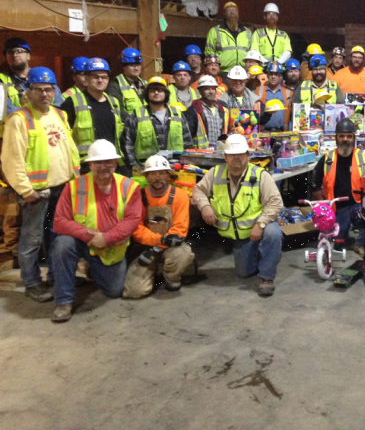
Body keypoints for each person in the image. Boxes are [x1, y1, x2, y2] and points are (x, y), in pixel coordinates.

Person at [1, 67, 80, 302]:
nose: (44, 94)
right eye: (38, 90)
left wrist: (73, 180)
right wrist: (26, 190)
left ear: (54, 91)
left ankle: (57, 277)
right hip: (37, 192)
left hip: (61, 188)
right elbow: (11, 160)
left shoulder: (60, 115)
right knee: (31, 241)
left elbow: (70, 150)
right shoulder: (19, 120)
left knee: (57, 238)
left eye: (48, 89)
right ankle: (32, 283)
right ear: (29, 91)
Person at [50, 139, 142, 322]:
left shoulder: (129, 187)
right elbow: (60, 221)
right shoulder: (74, 186)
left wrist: (107, 238)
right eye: (98, 162)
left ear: (115, 163)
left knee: (114, 291)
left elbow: (132, 219)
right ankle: (63, 301)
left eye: (108, 161)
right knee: (62, 244)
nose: (103, 166)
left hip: (110, 248)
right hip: (82, 242)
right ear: (90, 164)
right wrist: (88, 236)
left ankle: (92, 268)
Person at [192, 134, 283, 296]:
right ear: (225, 156)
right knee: (243, 273)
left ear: (248, 155)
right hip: (240, 235)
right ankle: (266, 255)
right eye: (232, 154)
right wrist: (205, 206)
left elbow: (276, 203)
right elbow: (198, 190)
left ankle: (266, 277)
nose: (236, 158)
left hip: (258, 228)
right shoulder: (215, 173)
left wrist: (261, 224)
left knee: (273, 233)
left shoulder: (261, 175)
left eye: (240, 154)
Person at [122, 156, 194, 299]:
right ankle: (151, 271)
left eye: (161, 173)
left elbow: (180, 229)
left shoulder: (179, 196)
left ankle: (171, 277)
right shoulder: (138, 196)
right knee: (134, 292)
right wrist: (158, 241)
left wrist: (157, 247)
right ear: (146, 177)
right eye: (153, 174)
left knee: (183, 254)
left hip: (173, 245)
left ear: (168, 175)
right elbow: (136, 228)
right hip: (144, 247)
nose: (157, 177)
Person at [310, 118, 365, 256]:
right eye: (342, 136)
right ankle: (342, 237)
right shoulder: (327, 158)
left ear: (354, 138)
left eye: (349, 136)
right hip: (338, 207)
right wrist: (323, 203)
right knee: (338, 244)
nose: (345, 139)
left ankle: (360, 244)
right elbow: (314, 182)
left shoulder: (364, 156)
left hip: (360, 203)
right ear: (336, 137)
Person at [60, 58, 125, 166]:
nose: (100, 80)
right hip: (86, 165)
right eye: (95, 76)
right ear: (86, 78)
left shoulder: (114, 102)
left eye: (104, 77)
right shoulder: (72, 103)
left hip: (112, 163)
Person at [121, 76, 194, 169]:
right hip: (146, 169)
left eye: (160, 90)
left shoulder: (178, 115)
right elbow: (128, 144)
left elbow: (188, 144)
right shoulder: (136, 115)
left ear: (166, 93)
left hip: (174, 168)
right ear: (147, 94)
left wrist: (185, 165)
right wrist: (135, 167)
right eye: (152, 90)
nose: (156, 92)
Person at [1, 37, 65, 110]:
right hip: (18, 121)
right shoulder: (2, 80)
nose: (15, 55)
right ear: (6, 57)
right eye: (10, 52)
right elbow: (5, 110)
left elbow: (59, 105)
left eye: (19, 51)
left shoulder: (44, 75)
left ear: (28, 56)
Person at [204, 1, 256, 76]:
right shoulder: (215, 31)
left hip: (243, 72)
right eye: (229, 11)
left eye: (234, 10)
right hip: (223, 73)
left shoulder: (247, 32)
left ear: (238, 14)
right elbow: (209, 53)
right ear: (224, 13)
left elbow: (252, 53)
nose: (232, 13)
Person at [184, 76, 231, 149]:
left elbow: (227, 132)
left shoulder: (223, 110)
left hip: (220, 153)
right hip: (201, 155)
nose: (211, 92)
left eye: (213, 89)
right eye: (207, 89)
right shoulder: (194, 110)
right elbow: (188, 137)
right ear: (200, 91)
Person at [107, 48, 146, 114]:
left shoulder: (145, 84)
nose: (136, 68)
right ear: (123, 66)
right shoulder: (115, 85)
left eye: (138, 64)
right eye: (132, 65)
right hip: (128, 124)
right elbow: (118, 112)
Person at [256, 62, 292, 131]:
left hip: (281, 132)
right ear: (267, 75)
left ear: (280, 76)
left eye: (276, 74)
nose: (273, 76)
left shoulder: (288, 93)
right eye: (271, 74)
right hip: (263, 132)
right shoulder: (258, 91)